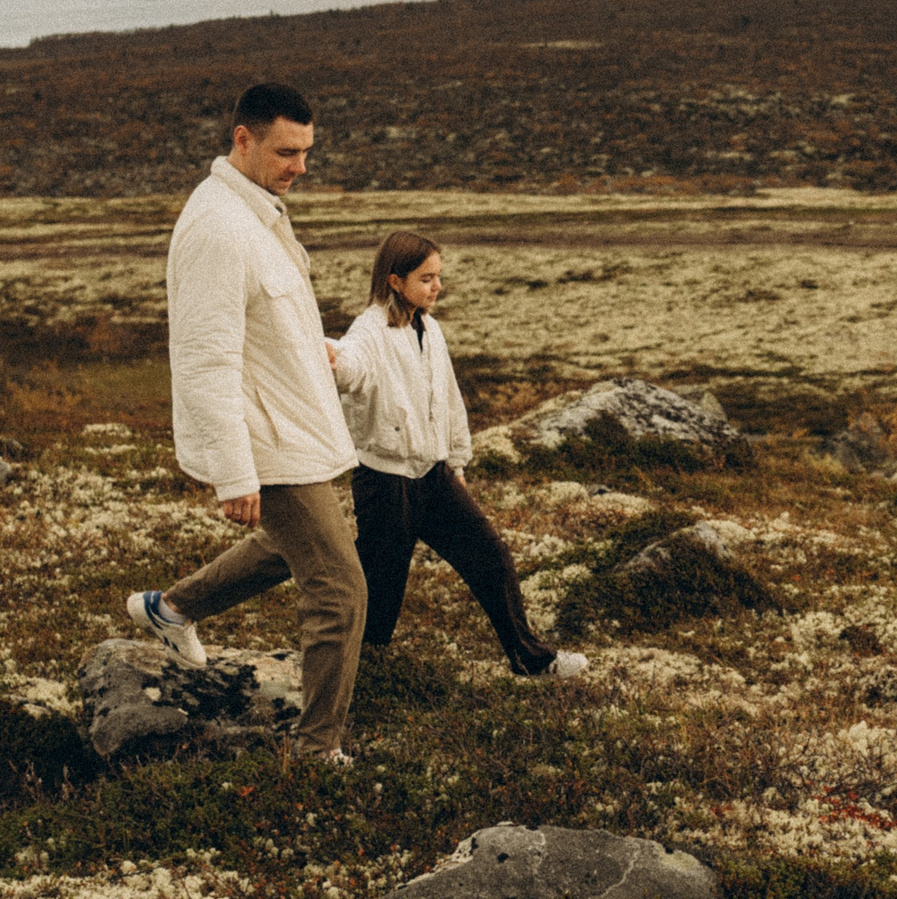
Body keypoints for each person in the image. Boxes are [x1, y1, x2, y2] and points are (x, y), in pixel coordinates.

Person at [124, 82, 368, 761]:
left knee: (290, 546)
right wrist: (236, 471)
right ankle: (317, 752)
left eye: (307, 152)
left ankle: (170, 609)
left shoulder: (255, 210)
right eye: (286, 151)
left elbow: (264, 320)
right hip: (264, 440)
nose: (300, 167)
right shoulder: (218, 229)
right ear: (243, 140)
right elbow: (205, 359)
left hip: (289, 422)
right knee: (341, 589)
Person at [335, 231, 586, 679]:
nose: (437, 287)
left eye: (438, 277)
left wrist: (456, 460)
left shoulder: (429, 329)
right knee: (381, 585)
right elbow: (352, 368)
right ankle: (358, 677)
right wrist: (331, 359)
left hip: (433, 476)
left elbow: (447, 397)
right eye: (426, 278)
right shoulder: (367, 331)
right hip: (384, 482)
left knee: (490, 556)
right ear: (395, 280)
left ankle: (531, 660)